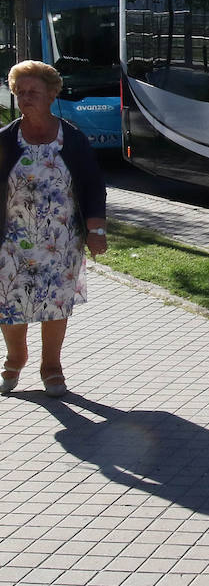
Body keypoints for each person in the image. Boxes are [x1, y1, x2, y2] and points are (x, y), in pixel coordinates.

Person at [0, 60, 107, 398]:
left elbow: (92, 185)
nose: (25, 98)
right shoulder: (5, 139)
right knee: (9, 304)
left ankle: (52, 367)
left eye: (33, 92)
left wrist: (96, 230)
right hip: (12, 240)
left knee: (55, 304)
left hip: (60, 239)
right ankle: (16, 356)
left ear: (51, 95)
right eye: (20, 92)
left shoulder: (71, 138)